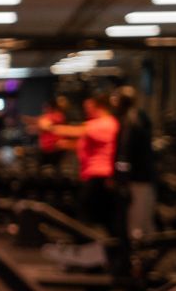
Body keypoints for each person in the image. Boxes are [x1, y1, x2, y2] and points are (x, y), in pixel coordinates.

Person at [41, 91, 121, 234]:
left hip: (100, 175)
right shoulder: (98, 124)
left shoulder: (106, 123)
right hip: (93, 174)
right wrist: (62, 144)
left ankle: (93, 246)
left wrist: (50, 127)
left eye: (89, 107)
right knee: (91, 212)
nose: (86, 110)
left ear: (98, 106)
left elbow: (78, 131)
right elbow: (81, 143)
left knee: (87, 211)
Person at [113, 87, 158, 239]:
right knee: (140, 215)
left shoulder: (132, 121)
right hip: (139, 175)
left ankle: (140, 251)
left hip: (139, 176)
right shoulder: (134, 118)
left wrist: (121, 173)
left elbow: (126, 152)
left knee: (138, 216)